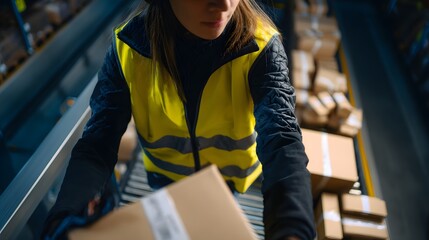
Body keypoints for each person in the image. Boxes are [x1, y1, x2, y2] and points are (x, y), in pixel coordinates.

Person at [42, 0, 315, 239]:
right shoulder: (129, 49)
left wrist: (292, 228)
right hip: (166, 180)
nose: (223, 5)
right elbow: (98, 144)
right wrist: (67, 213)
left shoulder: (260, 48)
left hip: (226, 182)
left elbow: (282, 140)